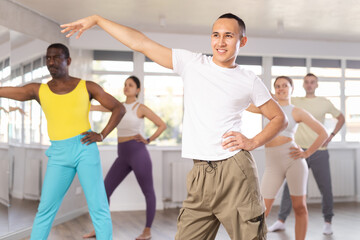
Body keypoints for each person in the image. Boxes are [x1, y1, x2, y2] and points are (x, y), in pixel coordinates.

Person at [61, 13, 288, 240]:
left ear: (242, 41)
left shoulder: (248, 79)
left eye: (229, 36)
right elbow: (141, 43)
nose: (221, 42)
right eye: (216, 35)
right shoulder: (192, 64)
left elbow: (279, 118)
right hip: (200, 173)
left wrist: (253, 141)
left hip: (235, 171)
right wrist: (99, 21)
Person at [0, 43, 125, 240]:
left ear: (68, 61)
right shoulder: (38, 90)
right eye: (48, 58)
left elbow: (119, 108)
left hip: (85, 149)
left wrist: (102, 135)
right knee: (45, 209)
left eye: (57, 57)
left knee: (98, 206)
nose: (51, 62)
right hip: (59, 153)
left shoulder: (87, 86)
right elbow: (10, 91)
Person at [83, 75, 166, 240]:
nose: (127, 87)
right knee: (105, 190)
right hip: (123, 155)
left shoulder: (140, 108)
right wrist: (85, 103)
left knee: (148, 192)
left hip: (138, 153)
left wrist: (148, 140)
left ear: (138, 90)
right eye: (125, 84)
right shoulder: (118, 106)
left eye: (131, 85)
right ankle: (99, 228)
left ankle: (147, 231)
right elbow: (96, 108)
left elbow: (162, 124)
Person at [247, 76, 328, 240]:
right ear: (274, 90)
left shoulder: (296, 111)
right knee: (262, 210)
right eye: (277, 86)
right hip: (273, 165)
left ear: (292, 89)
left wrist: (306, 153)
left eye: (285, 85)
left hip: (294, 162)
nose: (281, 88)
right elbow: (244, 105)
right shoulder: (266, 108)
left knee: (299, 207)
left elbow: (323, 133)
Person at [268, 73, 345, 235]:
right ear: (302, 85)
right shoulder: (295, 101)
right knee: (290, 190)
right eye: (307, 82)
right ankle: (281, 220)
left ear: (316, 85)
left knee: (325, 188)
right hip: (296, 151)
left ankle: (327, 221)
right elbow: (278, 100)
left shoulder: (325, 102)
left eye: (312, 82)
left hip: (319, 152)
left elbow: (341, 118)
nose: (309, 85)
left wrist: (330, 136)